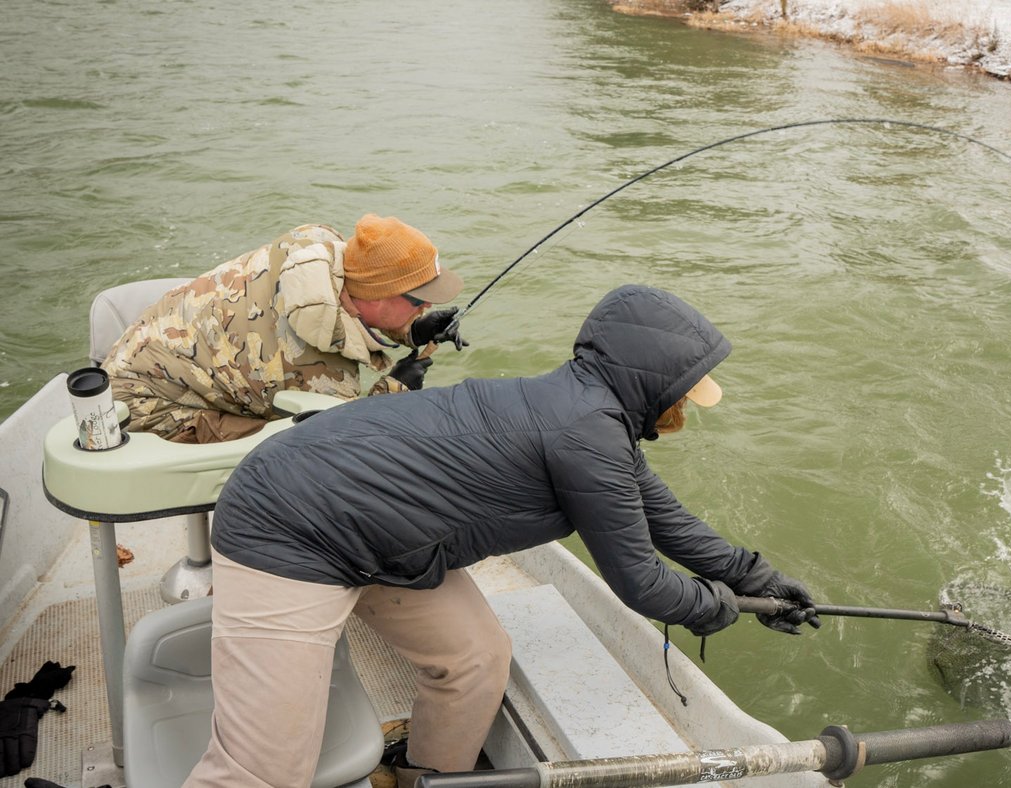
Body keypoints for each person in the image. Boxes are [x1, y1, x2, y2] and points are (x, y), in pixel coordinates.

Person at [187, 284, 821, 787]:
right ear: (653, 381)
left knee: (475, 659)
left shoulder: (586, 414)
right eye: (685, 388)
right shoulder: (585, 433)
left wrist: (756, 579)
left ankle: (424, 779)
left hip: (375, 535)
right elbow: (643, 584)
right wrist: (720, 609)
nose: (686, 403)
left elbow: (667, 520)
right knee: (264, 770)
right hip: (289, 527)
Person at [100, 214, 468, 443]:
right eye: (418, 301)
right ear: (375, 296)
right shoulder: (318, 377)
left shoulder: (312, 243)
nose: (427, 306)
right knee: (291, 450)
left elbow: (352, 310)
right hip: (140, 412)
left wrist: (412, 331)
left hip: (137, 355)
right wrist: (395, 388)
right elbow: (344, 439)